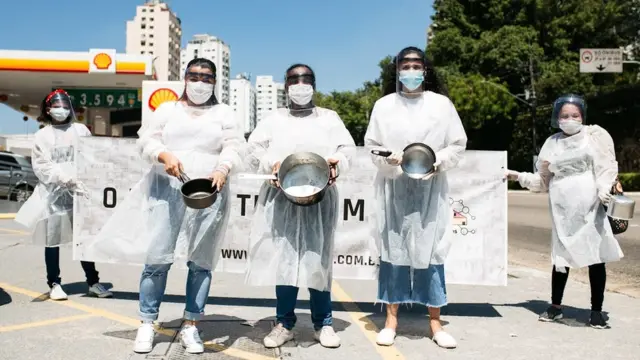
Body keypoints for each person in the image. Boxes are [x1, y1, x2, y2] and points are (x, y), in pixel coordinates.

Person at [89, 58, 246, 354]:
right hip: (166, 189)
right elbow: (146, 140)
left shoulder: (224, 112)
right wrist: (163, 155)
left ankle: (191, 325)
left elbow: (235, 145)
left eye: (207, 77)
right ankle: (147, 323)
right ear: (184, 78)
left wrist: (223, 168)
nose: (200, 82)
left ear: (215, 81)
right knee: (157, 259)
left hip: (208, 190)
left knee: (201, 262)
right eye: (194, 75)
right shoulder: (167, 109)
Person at [244, 63, 356, 349]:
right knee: (285, 260)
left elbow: (347, 150)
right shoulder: (274, 119)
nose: (300, 84)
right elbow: (253, 147)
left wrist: (336, 164)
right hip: (283, 197)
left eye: (306, 79)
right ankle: (284, 323)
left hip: (320, 197)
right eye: (294, 79)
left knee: (318, 259)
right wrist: (273, 163)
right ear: (286, 86)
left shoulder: (329, 118)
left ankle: (324, 323)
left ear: (314, 85)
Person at [363, 47, 467, 349]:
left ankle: (435, 322)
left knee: (431, 251)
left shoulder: (441, 105)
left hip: (430, 188)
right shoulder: (384, 106)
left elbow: (457, 144)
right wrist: (388, 159)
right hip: (393, 187)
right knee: (394, 250)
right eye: (405, 65)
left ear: (426, 69)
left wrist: (436, 162)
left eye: (416, 65)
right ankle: (391, 320)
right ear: (397, 70)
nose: (411, 70)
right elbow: (372, 145)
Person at [506, 94, 622, 329]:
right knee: (560, 259)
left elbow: (605, 167)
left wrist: (603, 191)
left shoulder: (594, 137)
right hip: (562, 210)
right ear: (557, 118)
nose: (570, 119)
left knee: (595, 258)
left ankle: (596, 311)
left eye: (575, 115)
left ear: (582, 116)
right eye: (565, 116)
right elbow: (543, 181)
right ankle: (555, 307)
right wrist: (517, 176)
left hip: (590, 206)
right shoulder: (552, 143)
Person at [14, 90, 112, 300]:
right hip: (55, 194)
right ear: (48, 110)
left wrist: (84, 181)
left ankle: (93, 282)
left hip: (79, 192)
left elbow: (91, 156)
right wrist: (64, 178)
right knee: (53, 239)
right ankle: (54, 283)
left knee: (83, 239)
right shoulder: (43, 136)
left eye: (65, 106)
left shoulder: (80, 130)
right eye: (57, 106)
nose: (61, 110)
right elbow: (42, 166)